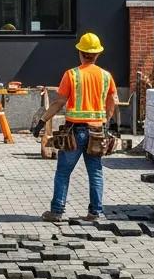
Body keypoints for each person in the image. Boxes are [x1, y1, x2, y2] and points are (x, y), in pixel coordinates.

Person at [31, 32, 118, 223]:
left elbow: (58, 102)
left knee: (63, 172)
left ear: (80, 52)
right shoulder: (106, 76)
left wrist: (42, 121)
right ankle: (96, 213)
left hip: (74, 131)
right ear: (97, 54)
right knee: (95, 172)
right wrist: (107, 123)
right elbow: (112, 101)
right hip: (96, 132)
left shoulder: (72, 75)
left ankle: (57, 211)